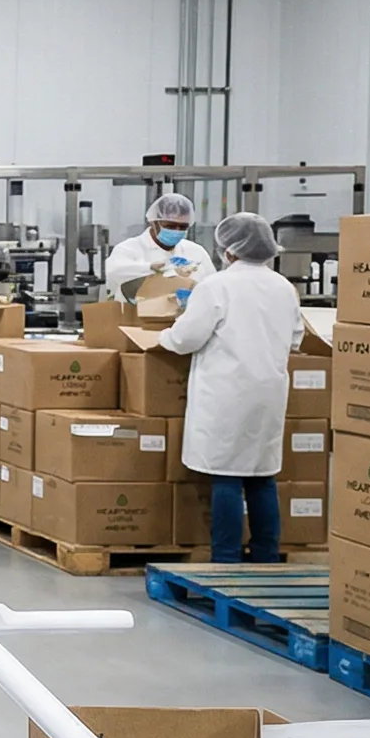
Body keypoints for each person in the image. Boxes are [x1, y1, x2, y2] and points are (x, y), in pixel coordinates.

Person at [158, 212, 307, 564]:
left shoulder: (217, 286)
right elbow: (296, 338)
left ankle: (225, 559)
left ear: (228, 251)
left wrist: (163, 335)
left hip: (226, 393)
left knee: (225, 474)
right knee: (261, 475)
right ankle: (266, 555)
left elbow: (186, 337)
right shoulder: (283, 287)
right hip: (269, 392)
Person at [101, 191, 214, 302]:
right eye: (170, 226)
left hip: (185, 318)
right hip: (135, 318)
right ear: (153, 222)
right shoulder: (129, 249)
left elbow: (212, 286)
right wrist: (148, 268)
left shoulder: (196, 252)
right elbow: (114, 272)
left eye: (183, 227)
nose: (177, 231)